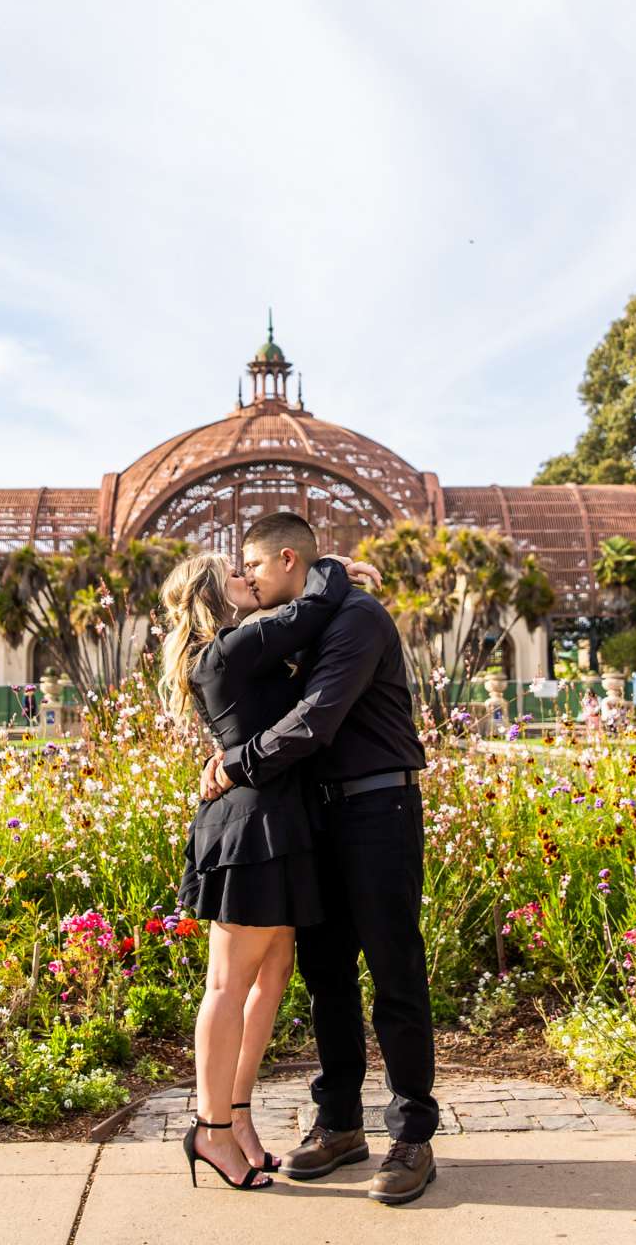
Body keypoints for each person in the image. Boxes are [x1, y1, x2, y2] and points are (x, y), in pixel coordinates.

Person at [201, 510, 441, 1207]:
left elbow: (315, 719)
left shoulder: (358, 620)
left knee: (394, 968)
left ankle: (412, 1135)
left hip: (378, 808)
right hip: (320, 813)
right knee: (326, 973)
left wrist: (235, 764)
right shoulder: (308, 616)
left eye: (251, 563)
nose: (243, 575)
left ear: (285, 559)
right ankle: (340, 1123)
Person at [160, 544, 354, 1192]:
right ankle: (209, 1129)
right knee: (228, 983)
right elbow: (317, 604)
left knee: (271, 978)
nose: (251, 579)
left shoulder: (242, 649)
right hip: (248, 825)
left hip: (279, 819)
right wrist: (334, 564)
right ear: (218, 594)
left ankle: (238, 1119)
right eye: (239, 575)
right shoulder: (227, 649)